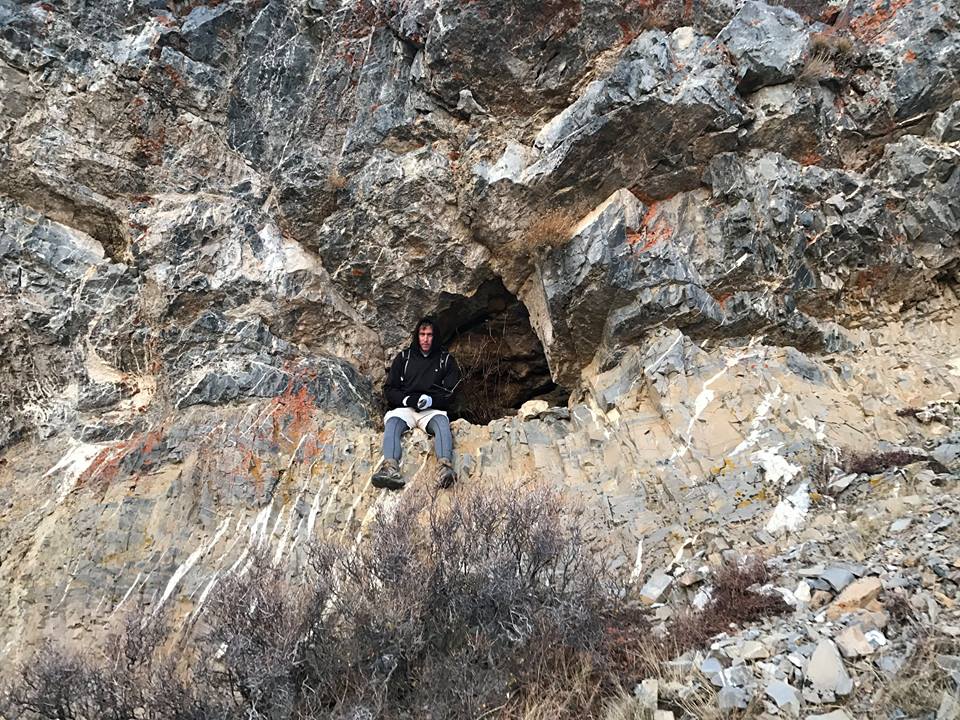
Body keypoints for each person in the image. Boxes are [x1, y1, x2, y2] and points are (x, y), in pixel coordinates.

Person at [372, 317, 462, 490]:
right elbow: (389, 389)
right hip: (406, 408)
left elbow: (452, 393)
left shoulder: (446, 360)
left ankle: (445, 468)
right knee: (392, 423)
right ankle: (390, 468)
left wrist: (431, 400)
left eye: (429, 334)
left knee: (442, 424)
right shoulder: (404, 358)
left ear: (435, 336)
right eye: (422, 334)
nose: (426, 339)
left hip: (432, 409)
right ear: (417, 335)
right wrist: (407, 399)